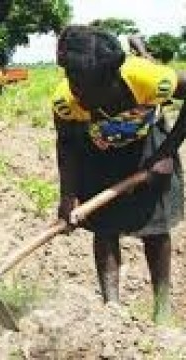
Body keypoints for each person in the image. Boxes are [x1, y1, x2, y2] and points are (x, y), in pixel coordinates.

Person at [52, 25, 186, 324]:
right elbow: (67, 145)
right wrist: (68, 196)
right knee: (105, 226)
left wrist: (166, 151)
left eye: (84, 86)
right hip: (97, 154)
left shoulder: (148, 78)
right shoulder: (65, 101)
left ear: (112, 79)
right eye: (72, 80)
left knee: (155, 226)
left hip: (148, 148)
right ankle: (111, 309)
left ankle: (162, 308)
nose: (77, 91)